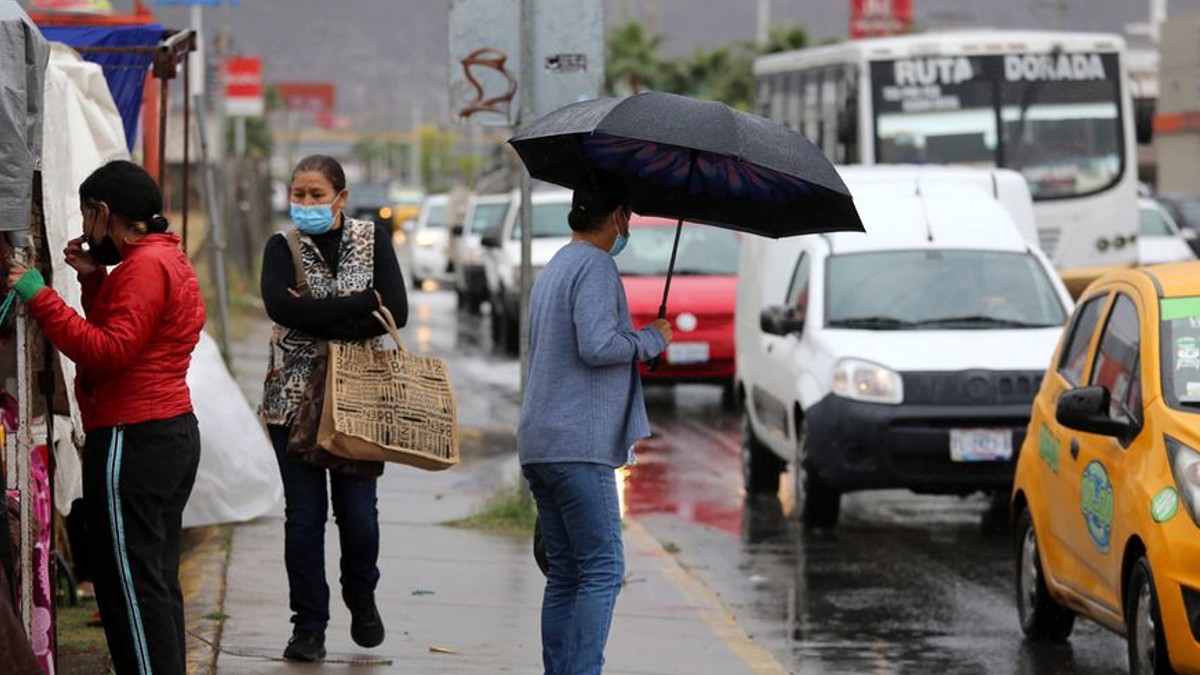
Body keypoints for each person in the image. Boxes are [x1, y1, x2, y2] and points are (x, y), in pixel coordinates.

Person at [6, 160, 206, 675]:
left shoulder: (145, 267)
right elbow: (126, 331)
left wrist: (41, 298)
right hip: (165, 433)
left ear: (103, 212)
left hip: (133, 438)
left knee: (131, 589)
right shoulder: (165, 257)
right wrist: (94, 280)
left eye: (86, 217)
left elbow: (109, 351)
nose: (85, 228)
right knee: (153, 582)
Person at [517, 172, 673, 675]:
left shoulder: (557, 265)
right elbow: (597, 344)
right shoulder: (596, 266)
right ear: (618, 217)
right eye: (629, 217)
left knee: (565, 572)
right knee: (603, 569)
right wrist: (651, 339)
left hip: (542, 442)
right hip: (578, 445)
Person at [258, 154, 408, 662]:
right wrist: (361, 303)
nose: (306, 203)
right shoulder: (280, 247)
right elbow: (280, 308)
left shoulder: (372, 239)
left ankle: (361, 593)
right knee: (304, 517)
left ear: (341, 197)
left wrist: (314, 314)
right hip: (291, 399)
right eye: (298, 194)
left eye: (316, 195)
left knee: (359, 516)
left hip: (359, 397)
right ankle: (308, 626)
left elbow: (397, 310)